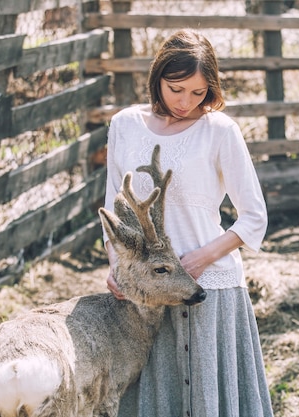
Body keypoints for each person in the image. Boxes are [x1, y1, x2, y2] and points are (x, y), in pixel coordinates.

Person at [102, 29, 274, 417]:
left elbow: (254, 216)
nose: (186, 102)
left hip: (207, 289)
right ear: (157, 77)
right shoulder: (124, 124)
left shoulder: (220, 131)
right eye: (176, 89)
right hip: (145, 293)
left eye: (198, 93)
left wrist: (198, 260)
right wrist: (117, 266)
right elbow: (113, 207)